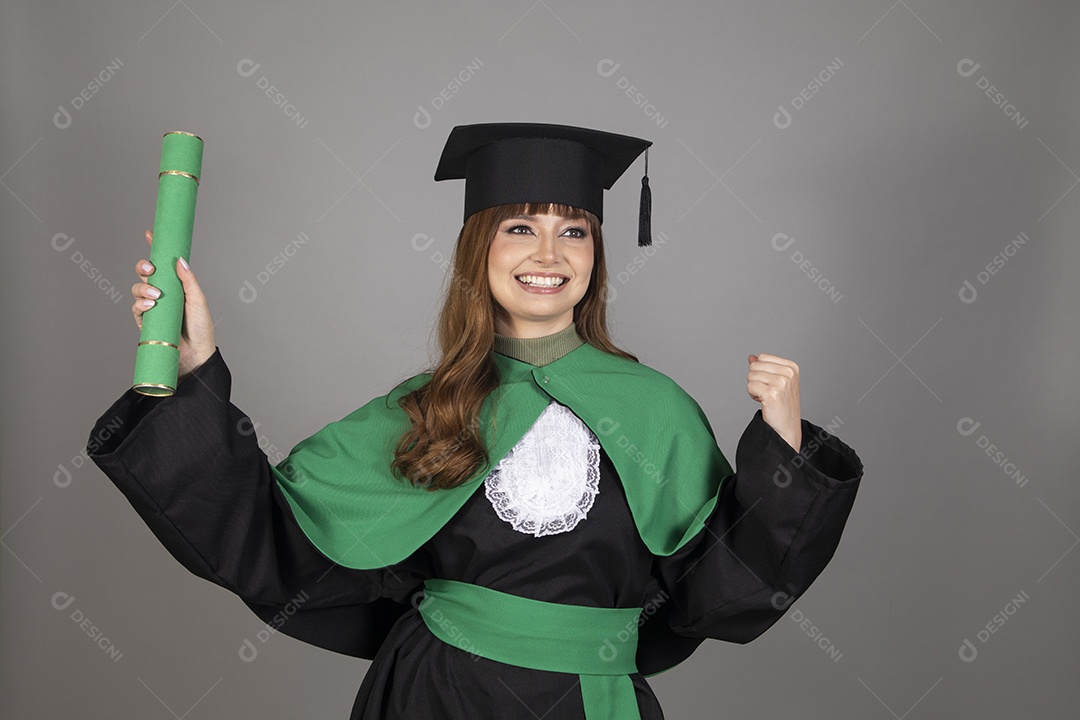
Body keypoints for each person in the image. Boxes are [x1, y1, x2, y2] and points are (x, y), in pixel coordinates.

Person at [89, 123, 864, 719]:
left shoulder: (654, 407)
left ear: (596, 254)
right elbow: (274, 535)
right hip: (434, 694)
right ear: (477, 250)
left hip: (586, 701)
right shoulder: (428, 405)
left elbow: (721, 589)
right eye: (519, 227)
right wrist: (195, 371)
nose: (549, 253)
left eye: (574, 231)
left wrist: (786, 450)